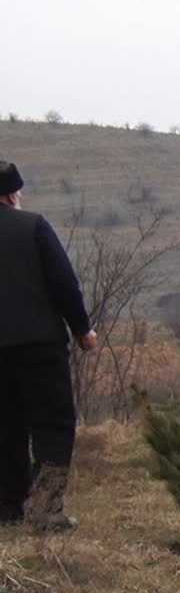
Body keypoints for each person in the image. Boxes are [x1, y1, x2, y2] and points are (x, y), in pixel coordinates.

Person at [0, 161, 98, 531]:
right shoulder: (33, 225)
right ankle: (44, 508)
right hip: (38, 345)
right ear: (12, 194)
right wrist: (82, 329)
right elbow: (63, 283)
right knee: (53, 424)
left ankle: (7, 506)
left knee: (4, 426)